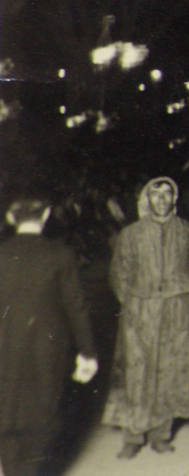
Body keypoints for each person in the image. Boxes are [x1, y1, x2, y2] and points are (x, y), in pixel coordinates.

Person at [102, 176, 189, 459]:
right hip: (140, 313)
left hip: (177, 312)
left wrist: (185, 302)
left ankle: (161, 433)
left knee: (169, 371)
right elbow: (118, 274)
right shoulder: (131, 234)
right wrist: (134, 303)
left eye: (167, 194)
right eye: (155, 194)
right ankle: (133, 436)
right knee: (137, 372)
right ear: (146, 199)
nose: (161, 200)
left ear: (175, 199)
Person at [0, 194, 98, 476]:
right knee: (42, 422)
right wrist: (87, 353)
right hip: (47, 353)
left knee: (7, 420)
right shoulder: (60, 254)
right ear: (45, 217)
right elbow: (76, 307)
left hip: (5, 351)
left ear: (11, 219)